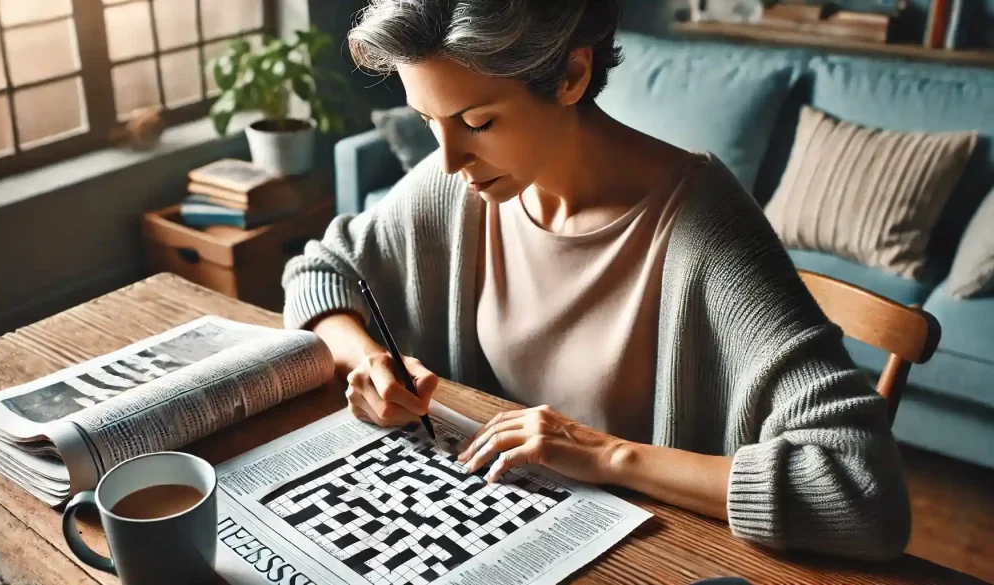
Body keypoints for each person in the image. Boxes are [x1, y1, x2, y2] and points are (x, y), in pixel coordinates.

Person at [282, 0, 911, 562]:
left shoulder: (703, 230)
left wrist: (605, 454)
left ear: (572, 76)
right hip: (507, 530)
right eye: (427, 121)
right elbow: (321, 271)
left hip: (649, 556)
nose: (447, 160)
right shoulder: (460, 186)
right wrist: (368, 361)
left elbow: (863, 491)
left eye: (477, 123)